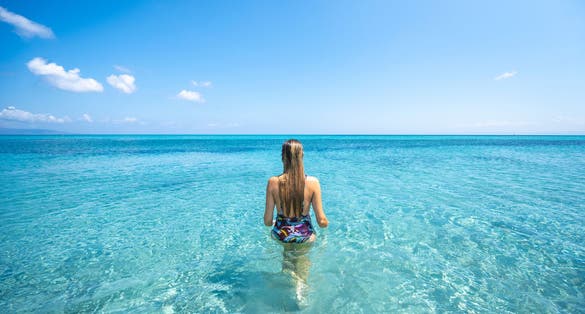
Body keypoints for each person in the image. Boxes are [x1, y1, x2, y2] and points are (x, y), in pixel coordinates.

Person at [263, 139, 328, 302]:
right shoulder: (313, 182)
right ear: (302, 157)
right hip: (304, 235)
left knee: (288, 258)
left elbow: (267, 220)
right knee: (303, 259)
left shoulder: (273, 182)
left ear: (283, 157)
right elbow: (321, 220)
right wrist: (327, 224)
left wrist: (273, 224)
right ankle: (300, 287)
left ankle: (288, 285)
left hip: (282, 233)